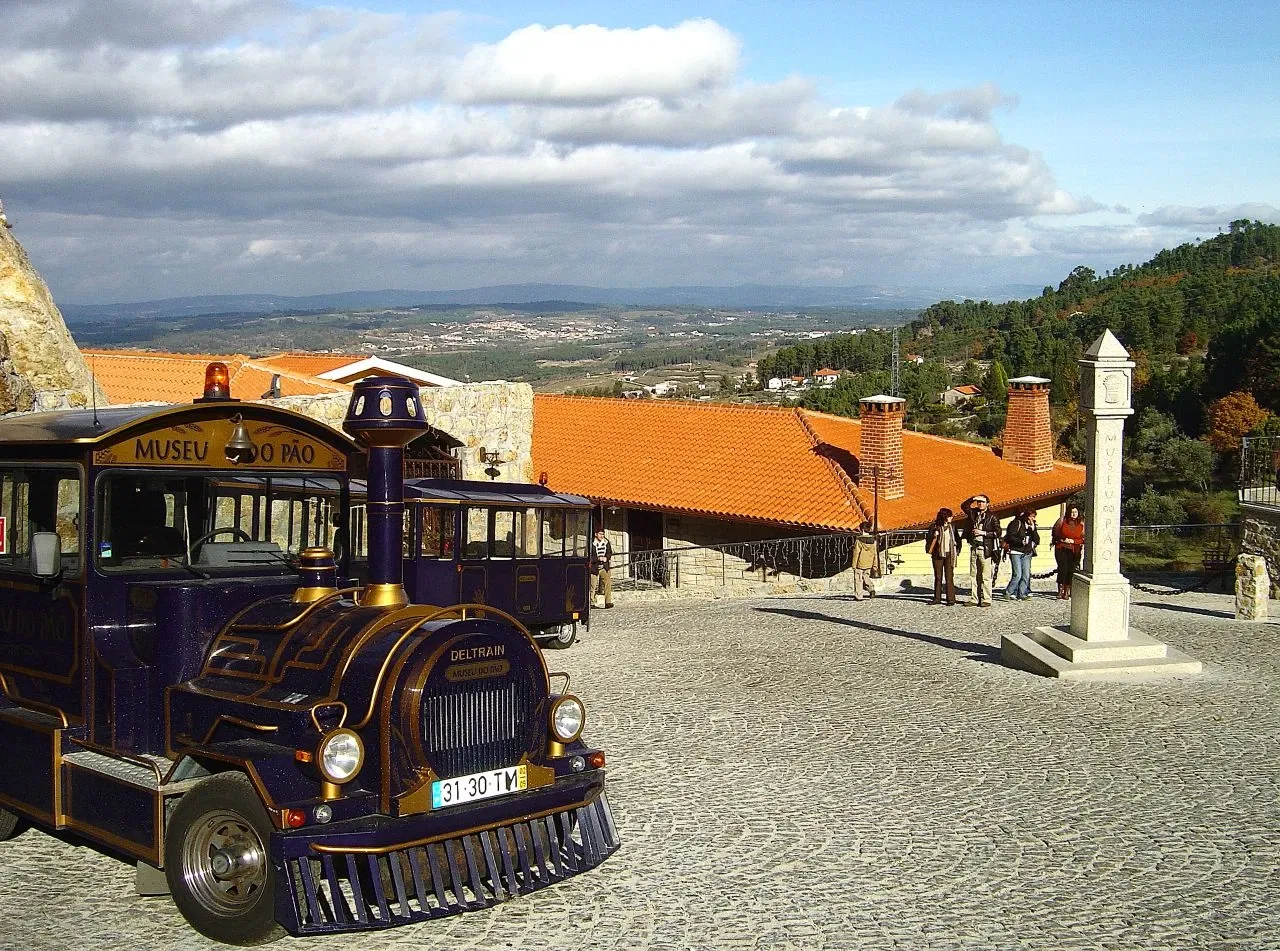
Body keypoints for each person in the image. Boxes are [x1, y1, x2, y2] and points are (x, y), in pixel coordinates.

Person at [961, 494, 1001, 606]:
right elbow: (963, 506)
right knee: (974, 575)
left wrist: (983, 533)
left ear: (987, 503)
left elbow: (998, 532)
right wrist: (973, 498)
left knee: (986, 576)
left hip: (985, 549)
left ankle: (987, 599)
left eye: (982, 502)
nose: (980, 504)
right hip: (974, 547)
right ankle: (974, 598)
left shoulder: (992, 516)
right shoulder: (974, 513)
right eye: (978, 502)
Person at [924, 507, 961, 605]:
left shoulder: (952, 527)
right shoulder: (934, 527)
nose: (951, 518)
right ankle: (937, 598)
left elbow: (957, 538)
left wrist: (957, 550)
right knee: (938, 576)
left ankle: (951, 599)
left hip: (949, 554)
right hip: (938, 554)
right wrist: (933, 535)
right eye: (949, 516)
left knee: (949, 577)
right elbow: (928, 540)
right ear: (945, 517)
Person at [1002, 509, 1040, 601]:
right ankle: (1009, 592)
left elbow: (1037, 540)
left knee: (1026, 575)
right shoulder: (1017, 524)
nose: (1032, 519)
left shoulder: (1032, 527)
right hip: (1016, 551)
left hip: (1027, 553)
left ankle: (1022, 593)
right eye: (1030, 516)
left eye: (1033, 516)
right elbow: (1010, 536)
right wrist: (1020, 541)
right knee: (1017, 574)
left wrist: (1033, 529)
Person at [1051, 504, 1086, 599]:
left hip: (1075, 550)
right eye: (1072, 512)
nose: (1074, 514)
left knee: (1070, 570)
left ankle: (1067, 590)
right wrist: (1063, 539)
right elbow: (1055, 534)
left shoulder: (1081, 524)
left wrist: (1074, 541)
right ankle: (1061, 589)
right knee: (1062, 569)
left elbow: (1084, 539)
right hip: (1062, 548)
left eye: (1075, 512)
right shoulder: (1062, 521)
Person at [851, 521, 877, 600]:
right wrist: (875, 564)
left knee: (858, 579)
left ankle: (859, 596)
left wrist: (854, 564)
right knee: (866, 577)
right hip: (869, 562)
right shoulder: (874, 541)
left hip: (860, 562)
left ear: (862, 529)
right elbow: (875, 553)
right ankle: (871, 589)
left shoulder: (859, 541)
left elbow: (856, 553)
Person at [590, 528, 614, 608]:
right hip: (594, 567)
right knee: (593, 585)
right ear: (596, 534)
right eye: (600, 534)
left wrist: (606, 558)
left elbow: (609, 552)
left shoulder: (606, 542)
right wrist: (598, 558)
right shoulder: (591, 543)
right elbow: (589, 556)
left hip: (604, 566)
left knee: (607, 583)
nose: (601, 536)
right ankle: (591, 602)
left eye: (603, 534)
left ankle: (608, 602)